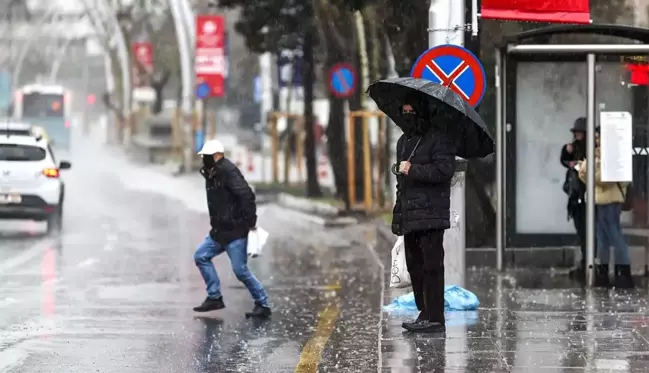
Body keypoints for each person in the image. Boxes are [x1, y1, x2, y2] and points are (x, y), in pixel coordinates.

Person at [391, 99, 456, 333]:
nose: (407, 115)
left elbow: (444, 170)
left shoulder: (439, 138)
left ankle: (436, 317)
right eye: (404, 111)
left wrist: (413, 169)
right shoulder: (403, 142)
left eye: (412, 111)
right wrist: (399, 213)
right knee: (415, 267)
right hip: (410, 216)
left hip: (431, 214)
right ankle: (424, 312)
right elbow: (402, 185)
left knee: (432, 267)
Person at [192, 139, 271, 317]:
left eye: (206, 156)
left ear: (217, 155)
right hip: (219, 232)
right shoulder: (212, 172)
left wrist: (250, 222)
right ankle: (214, 297)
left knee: (240, 271)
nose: (204, 159)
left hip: (235, 232)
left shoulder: (228, 171)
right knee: (201, 256)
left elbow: (246, 195)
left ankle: (263, 304)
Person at [578, 128, 634, 288]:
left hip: (611, 200)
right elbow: (584, 174)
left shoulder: (613, 155)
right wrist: (589, 172)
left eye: (598, 137)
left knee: (614, 235)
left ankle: (622, 272)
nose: (596, 140)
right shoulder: (596, 153)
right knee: (602, 238)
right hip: (600, 200)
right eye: (596, 137)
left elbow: (605, 177)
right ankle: (604, 272)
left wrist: (591, 173)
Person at [560, 117, 587, 281]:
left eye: (579, 132)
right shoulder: (573, 147)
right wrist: (567, 153)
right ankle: (585, 261)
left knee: (587, 231)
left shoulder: (590, 148)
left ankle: (589, 262)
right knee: (581, 230)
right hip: (575, 195)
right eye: (575, 132)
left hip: (585, 194)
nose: (577, 135)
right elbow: (564, 160)